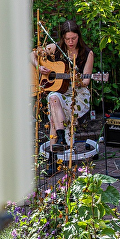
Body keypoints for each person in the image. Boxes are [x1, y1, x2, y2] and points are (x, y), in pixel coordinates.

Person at [32, 20, 95, 151]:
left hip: (77, 95)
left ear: (79, 36)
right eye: (67, 39)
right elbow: (32, 55)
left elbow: (86, 82)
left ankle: (54, 155)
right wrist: (39, 67)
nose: (70, 42)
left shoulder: (87, 53)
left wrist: (77, 80)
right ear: (63, 38)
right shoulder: (55, 48)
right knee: (53, 97)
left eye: (74, 38)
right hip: (59, 92)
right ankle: (61, 140)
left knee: (54, 117)